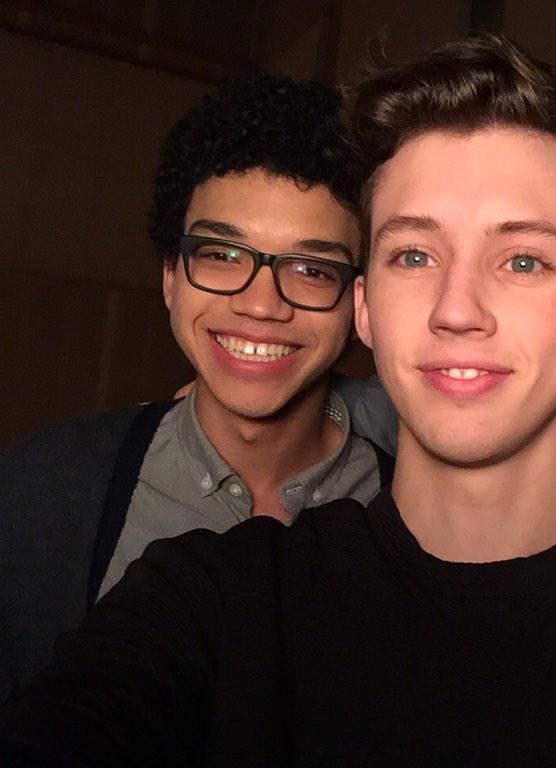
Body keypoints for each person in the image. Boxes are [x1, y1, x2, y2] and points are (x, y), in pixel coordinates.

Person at [0, 34, 556, 767]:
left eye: (522, 260)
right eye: (414, 255)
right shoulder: (207, 600)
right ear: (366, 308)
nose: (457, 308)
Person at [0, 75, 388, 702]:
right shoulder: (39, 493)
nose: (260, 305)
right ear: (170, 278)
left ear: (360, 304)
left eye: (311, 269)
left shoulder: (421, 514)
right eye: (222, 256)